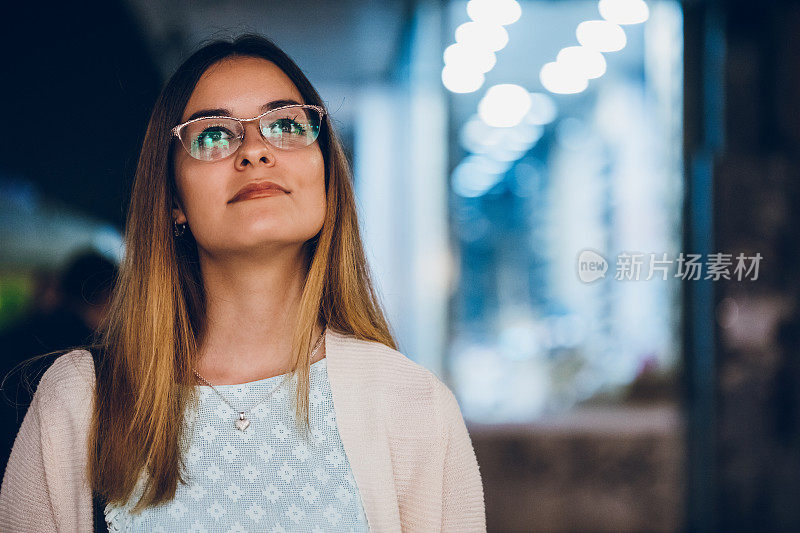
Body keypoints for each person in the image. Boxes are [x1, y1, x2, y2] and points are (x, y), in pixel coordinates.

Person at [0, 34, 486, 532]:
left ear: (326, 178)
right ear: (173, 200)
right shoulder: (80, 398)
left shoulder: (411, 404)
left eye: (286, 125)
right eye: (212, 135)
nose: (254, 150)